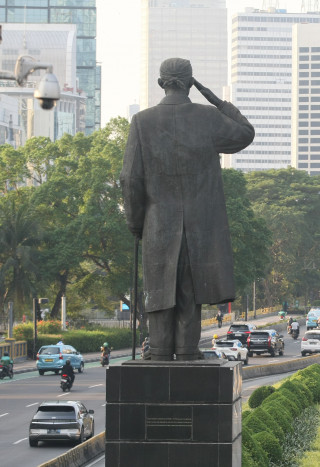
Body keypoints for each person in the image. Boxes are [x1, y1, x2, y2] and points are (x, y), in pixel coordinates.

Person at [121, 58, 255, 361]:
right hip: (199, 225)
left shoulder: (142, 122)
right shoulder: (208, 117)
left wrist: (135, 222)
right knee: (189, 292)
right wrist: (216, 99)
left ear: (161, 83)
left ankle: (158, 350)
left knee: (160, 291)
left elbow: (130, 178)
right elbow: (245, 132)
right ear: (190, 82)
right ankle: (187, 350)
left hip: (157, 223)